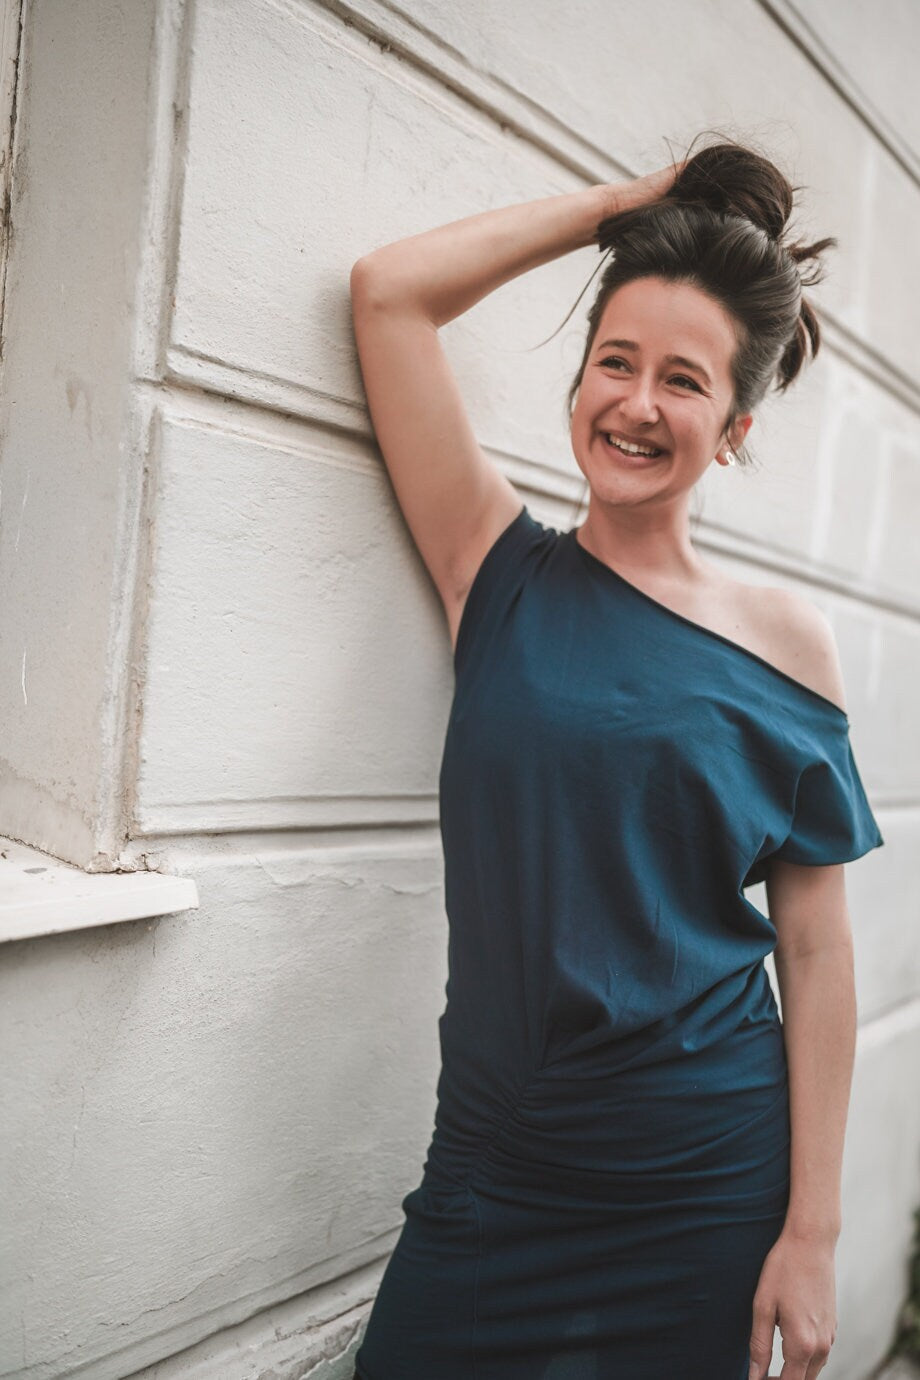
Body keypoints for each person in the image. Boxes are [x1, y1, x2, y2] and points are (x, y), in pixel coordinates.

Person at [347, 137, 885, 1380]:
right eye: (614, 363)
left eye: (682, 381)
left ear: (735, 425)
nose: (636, 405)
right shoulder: (494, 570)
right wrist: (623, 210)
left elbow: (813, 949)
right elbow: (389, 294)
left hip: (701, 1181)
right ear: (579, 378)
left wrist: (811, 1230)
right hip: (492, 1166)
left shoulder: (786, 646)